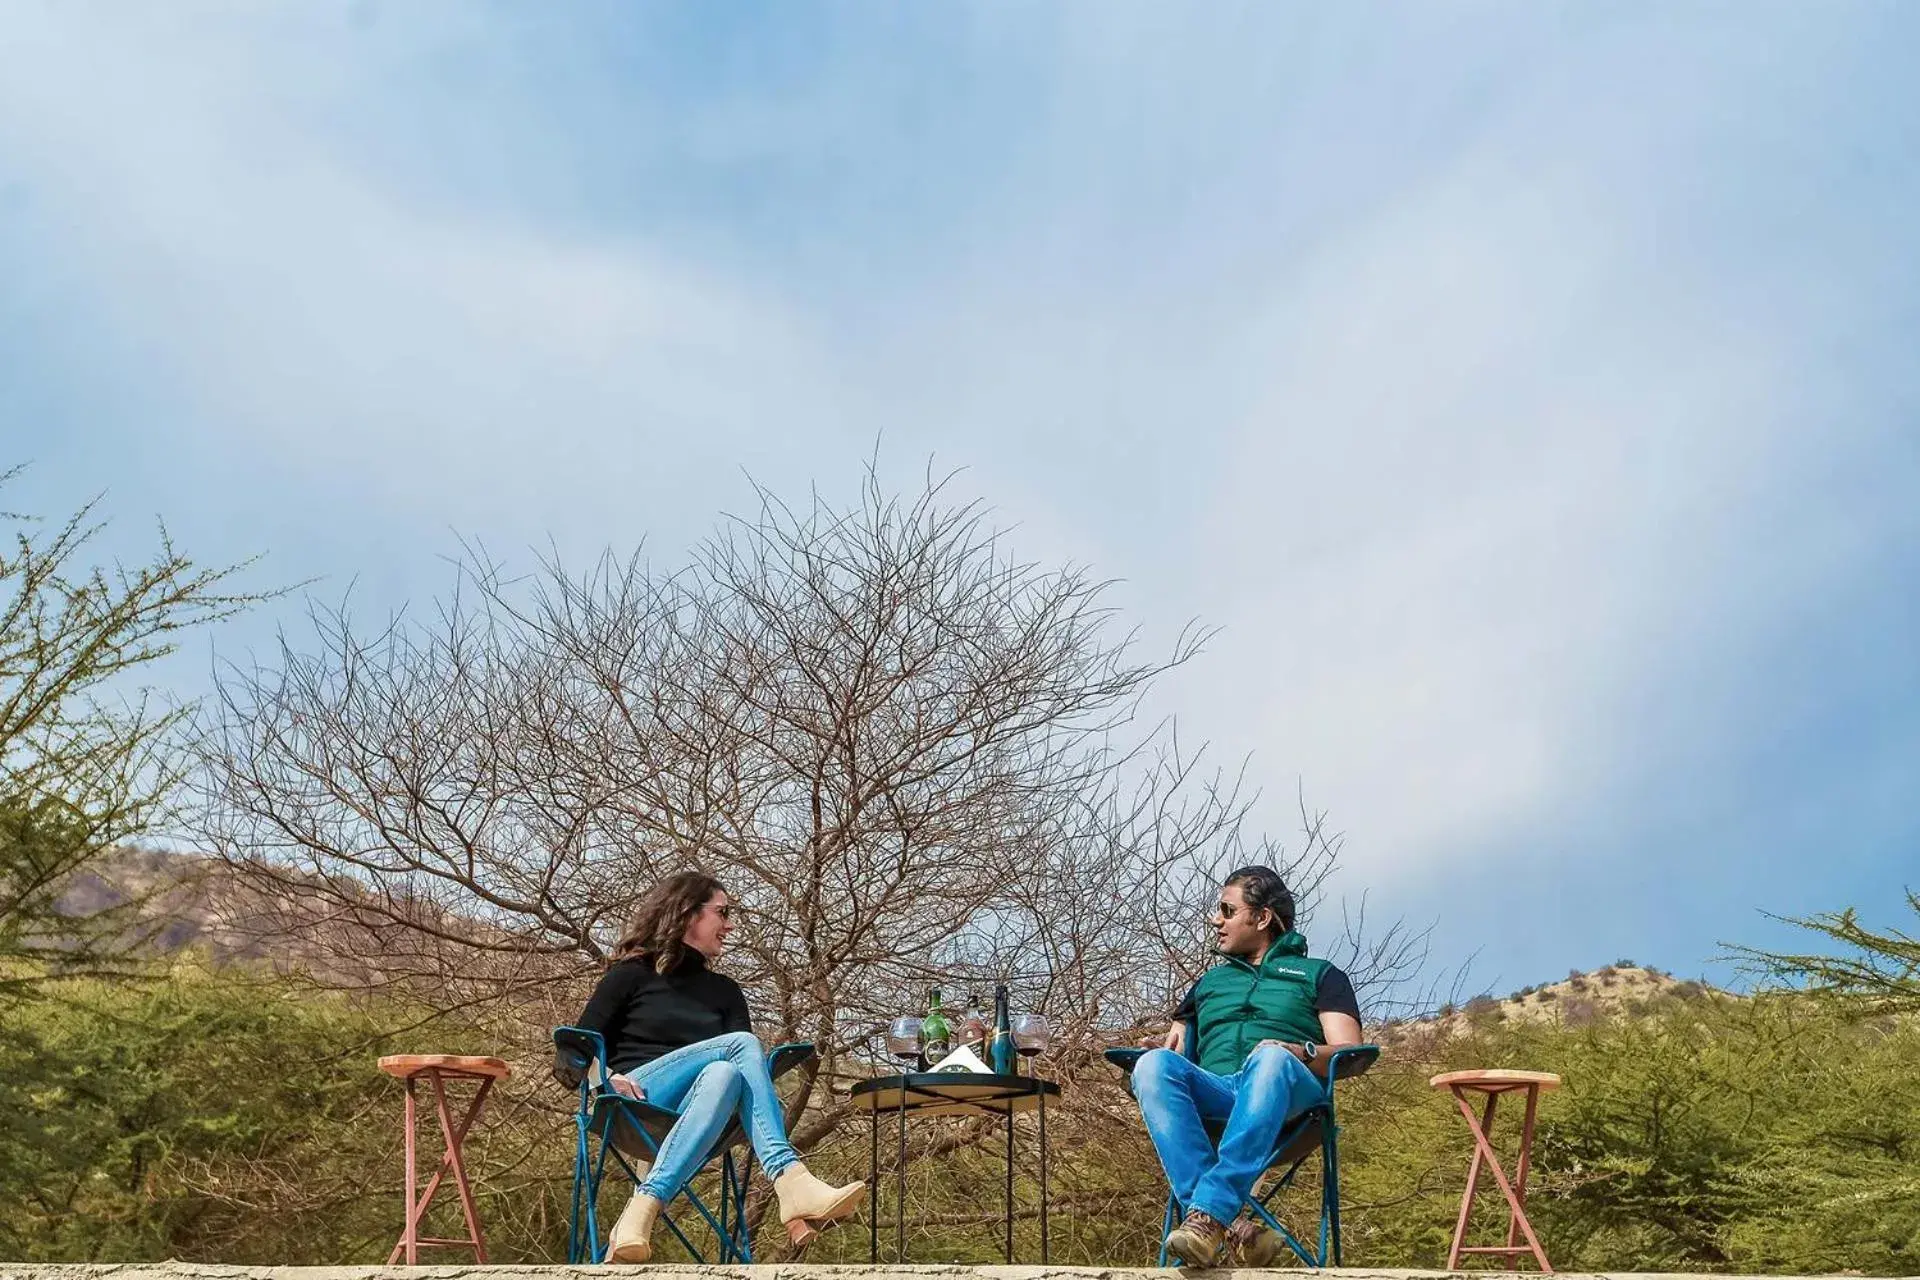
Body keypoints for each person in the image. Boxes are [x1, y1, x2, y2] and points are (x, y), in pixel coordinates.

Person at [575, 870, 867, 1263]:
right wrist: (607, 1076)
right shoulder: (631, 975)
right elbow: (573, 1049)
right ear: (686, 913)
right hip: (636, 1100)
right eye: (722, 912)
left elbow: (746, 1081)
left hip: (704, 1118)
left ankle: (641, 1210)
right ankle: (789, 1179)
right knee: (741, 1046)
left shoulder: (726, 992)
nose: (729, 925)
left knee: (727, 1072)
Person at [1133, 865, 1364, 1267]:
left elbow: (1351, 1053)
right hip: (1221, 1097)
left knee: (1269, 1056)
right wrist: (1160, 1052)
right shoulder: (1207, 985)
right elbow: (1179, 1050)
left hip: (1292, 1102)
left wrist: (1298, 1050)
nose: (1214, 919)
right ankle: (1232, 1225)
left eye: (1226, 909)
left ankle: (1210, 1215)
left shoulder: (1320, 975)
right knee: (1153, 1065)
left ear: (1261, 918)